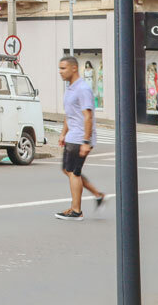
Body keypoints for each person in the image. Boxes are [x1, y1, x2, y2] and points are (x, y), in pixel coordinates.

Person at [56, 55, 105, 221]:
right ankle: (97, 194)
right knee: (68, 170)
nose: (60, 72)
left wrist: (86, 141)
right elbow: (70, 114)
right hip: (72, 136)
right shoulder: (70, 88)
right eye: (59, 68)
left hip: (80, 138)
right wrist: (63, 133)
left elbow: (87, 116)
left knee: (73, 172)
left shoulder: (83, 88)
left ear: (74, 68)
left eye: (63, 68)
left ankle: (76, 211)